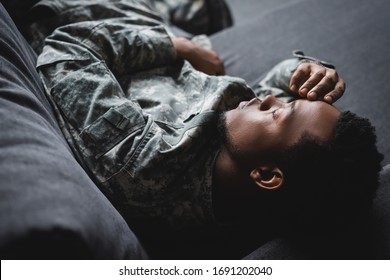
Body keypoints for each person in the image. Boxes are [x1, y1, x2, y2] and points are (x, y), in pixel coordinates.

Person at [34, 0, 382, 249]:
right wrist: (310, 73)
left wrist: (178, 48)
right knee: (210, 8)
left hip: (98, 16)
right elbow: (274, 90)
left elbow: (70, 48)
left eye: (277, 113)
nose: (268, 100)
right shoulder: (245, 171)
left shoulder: (145, 161)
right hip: (158, 25)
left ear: (266, 175)